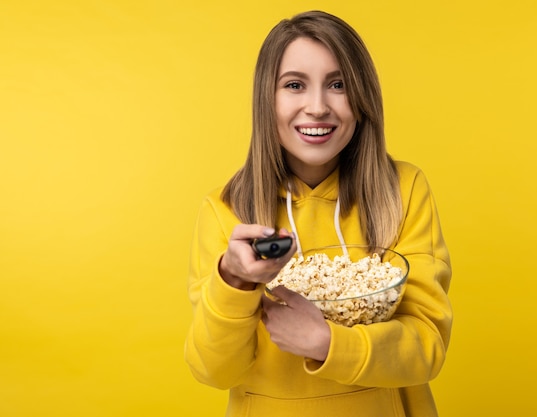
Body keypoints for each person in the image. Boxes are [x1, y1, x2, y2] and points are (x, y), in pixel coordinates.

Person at [185, 10, 452, 417]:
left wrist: (327, 342)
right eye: (294, 85)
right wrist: (235, 281)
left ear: (362, 99)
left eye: (338, 85)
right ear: (266, 100)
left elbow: (426, 347)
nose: (317, 107)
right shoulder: (226, 211)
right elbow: (214, 369)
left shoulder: (402, 191)